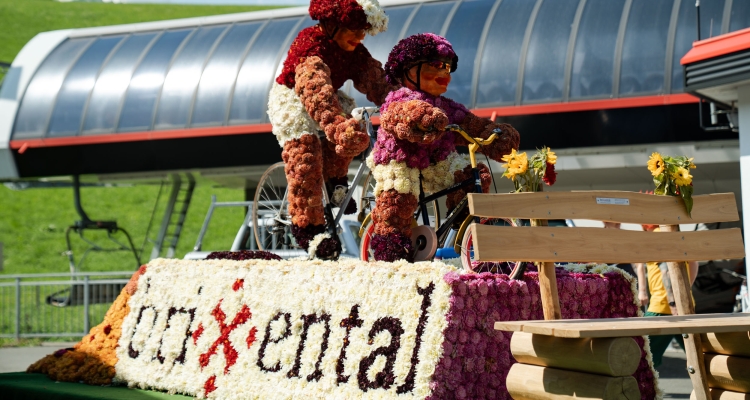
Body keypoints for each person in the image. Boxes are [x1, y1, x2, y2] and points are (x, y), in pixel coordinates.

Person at [366, 33, 520, 262]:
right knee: (397, 201)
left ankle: (465, 233)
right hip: (399, 159)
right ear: (409, 70)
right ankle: (389, 253)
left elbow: (470, 124)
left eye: (447, 67)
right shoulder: (398, 99)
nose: (444, 74)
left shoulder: (447, 107)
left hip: (437, 159)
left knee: (472, 178)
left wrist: (495, 135)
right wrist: (421, 119)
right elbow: (397, 115)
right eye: (436, 65)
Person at [267, 0, 395, 259]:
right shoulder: (311, 44)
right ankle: (309, 229)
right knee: (305, 153)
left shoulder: (356, 52)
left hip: (329, 94)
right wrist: (335, 125)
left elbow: (377, 82)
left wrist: (400, 104)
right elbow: (314, 90)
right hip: (293, 95)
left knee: (354, 122)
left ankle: (336, 180)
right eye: (353, 29)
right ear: (331, 24)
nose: (360, 36)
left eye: (363, 30)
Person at [634, 223, 700, 367]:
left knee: (642, 355)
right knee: (697, 356)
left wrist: (673, 302)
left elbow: (666, 270)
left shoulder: (656, 237)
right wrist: (685, 289)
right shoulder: (675, 235)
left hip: (664, 306)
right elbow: (694, 262)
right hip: (684, 304)